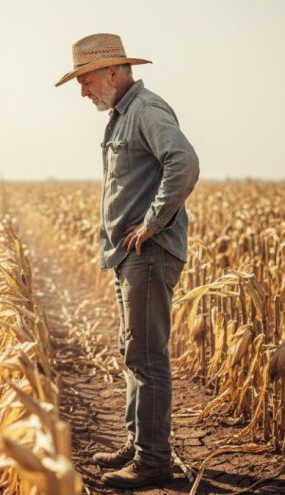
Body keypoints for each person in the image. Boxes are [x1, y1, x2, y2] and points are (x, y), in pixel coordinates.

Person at [55, 33, 199, 489]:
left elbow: (184, 162)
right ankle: (139, 444)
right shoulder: (122, 115)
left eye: (86, 79)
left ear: (113, 72)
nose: (82, 91)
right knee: (133, 352)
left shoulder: (146, 110)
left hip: (149, 255)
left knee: (147, 357)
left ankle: (153, 459)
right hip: (129, 255)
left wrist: (153, 223)